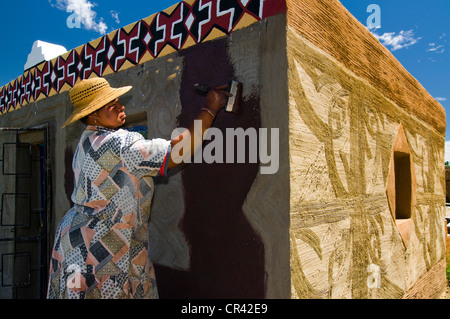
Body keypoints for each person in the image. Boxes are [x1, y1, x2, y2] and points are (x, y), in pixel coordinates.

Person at [47, 77, 230, 299]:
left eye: (118, 101)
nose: (120, 107)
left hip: (75, 239)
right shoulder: (119, 144)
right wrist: (210, 108)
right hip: (103, 245)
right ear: (93, 114)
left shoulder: (87, 141)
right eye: (111, 105)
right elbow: (176, 153)